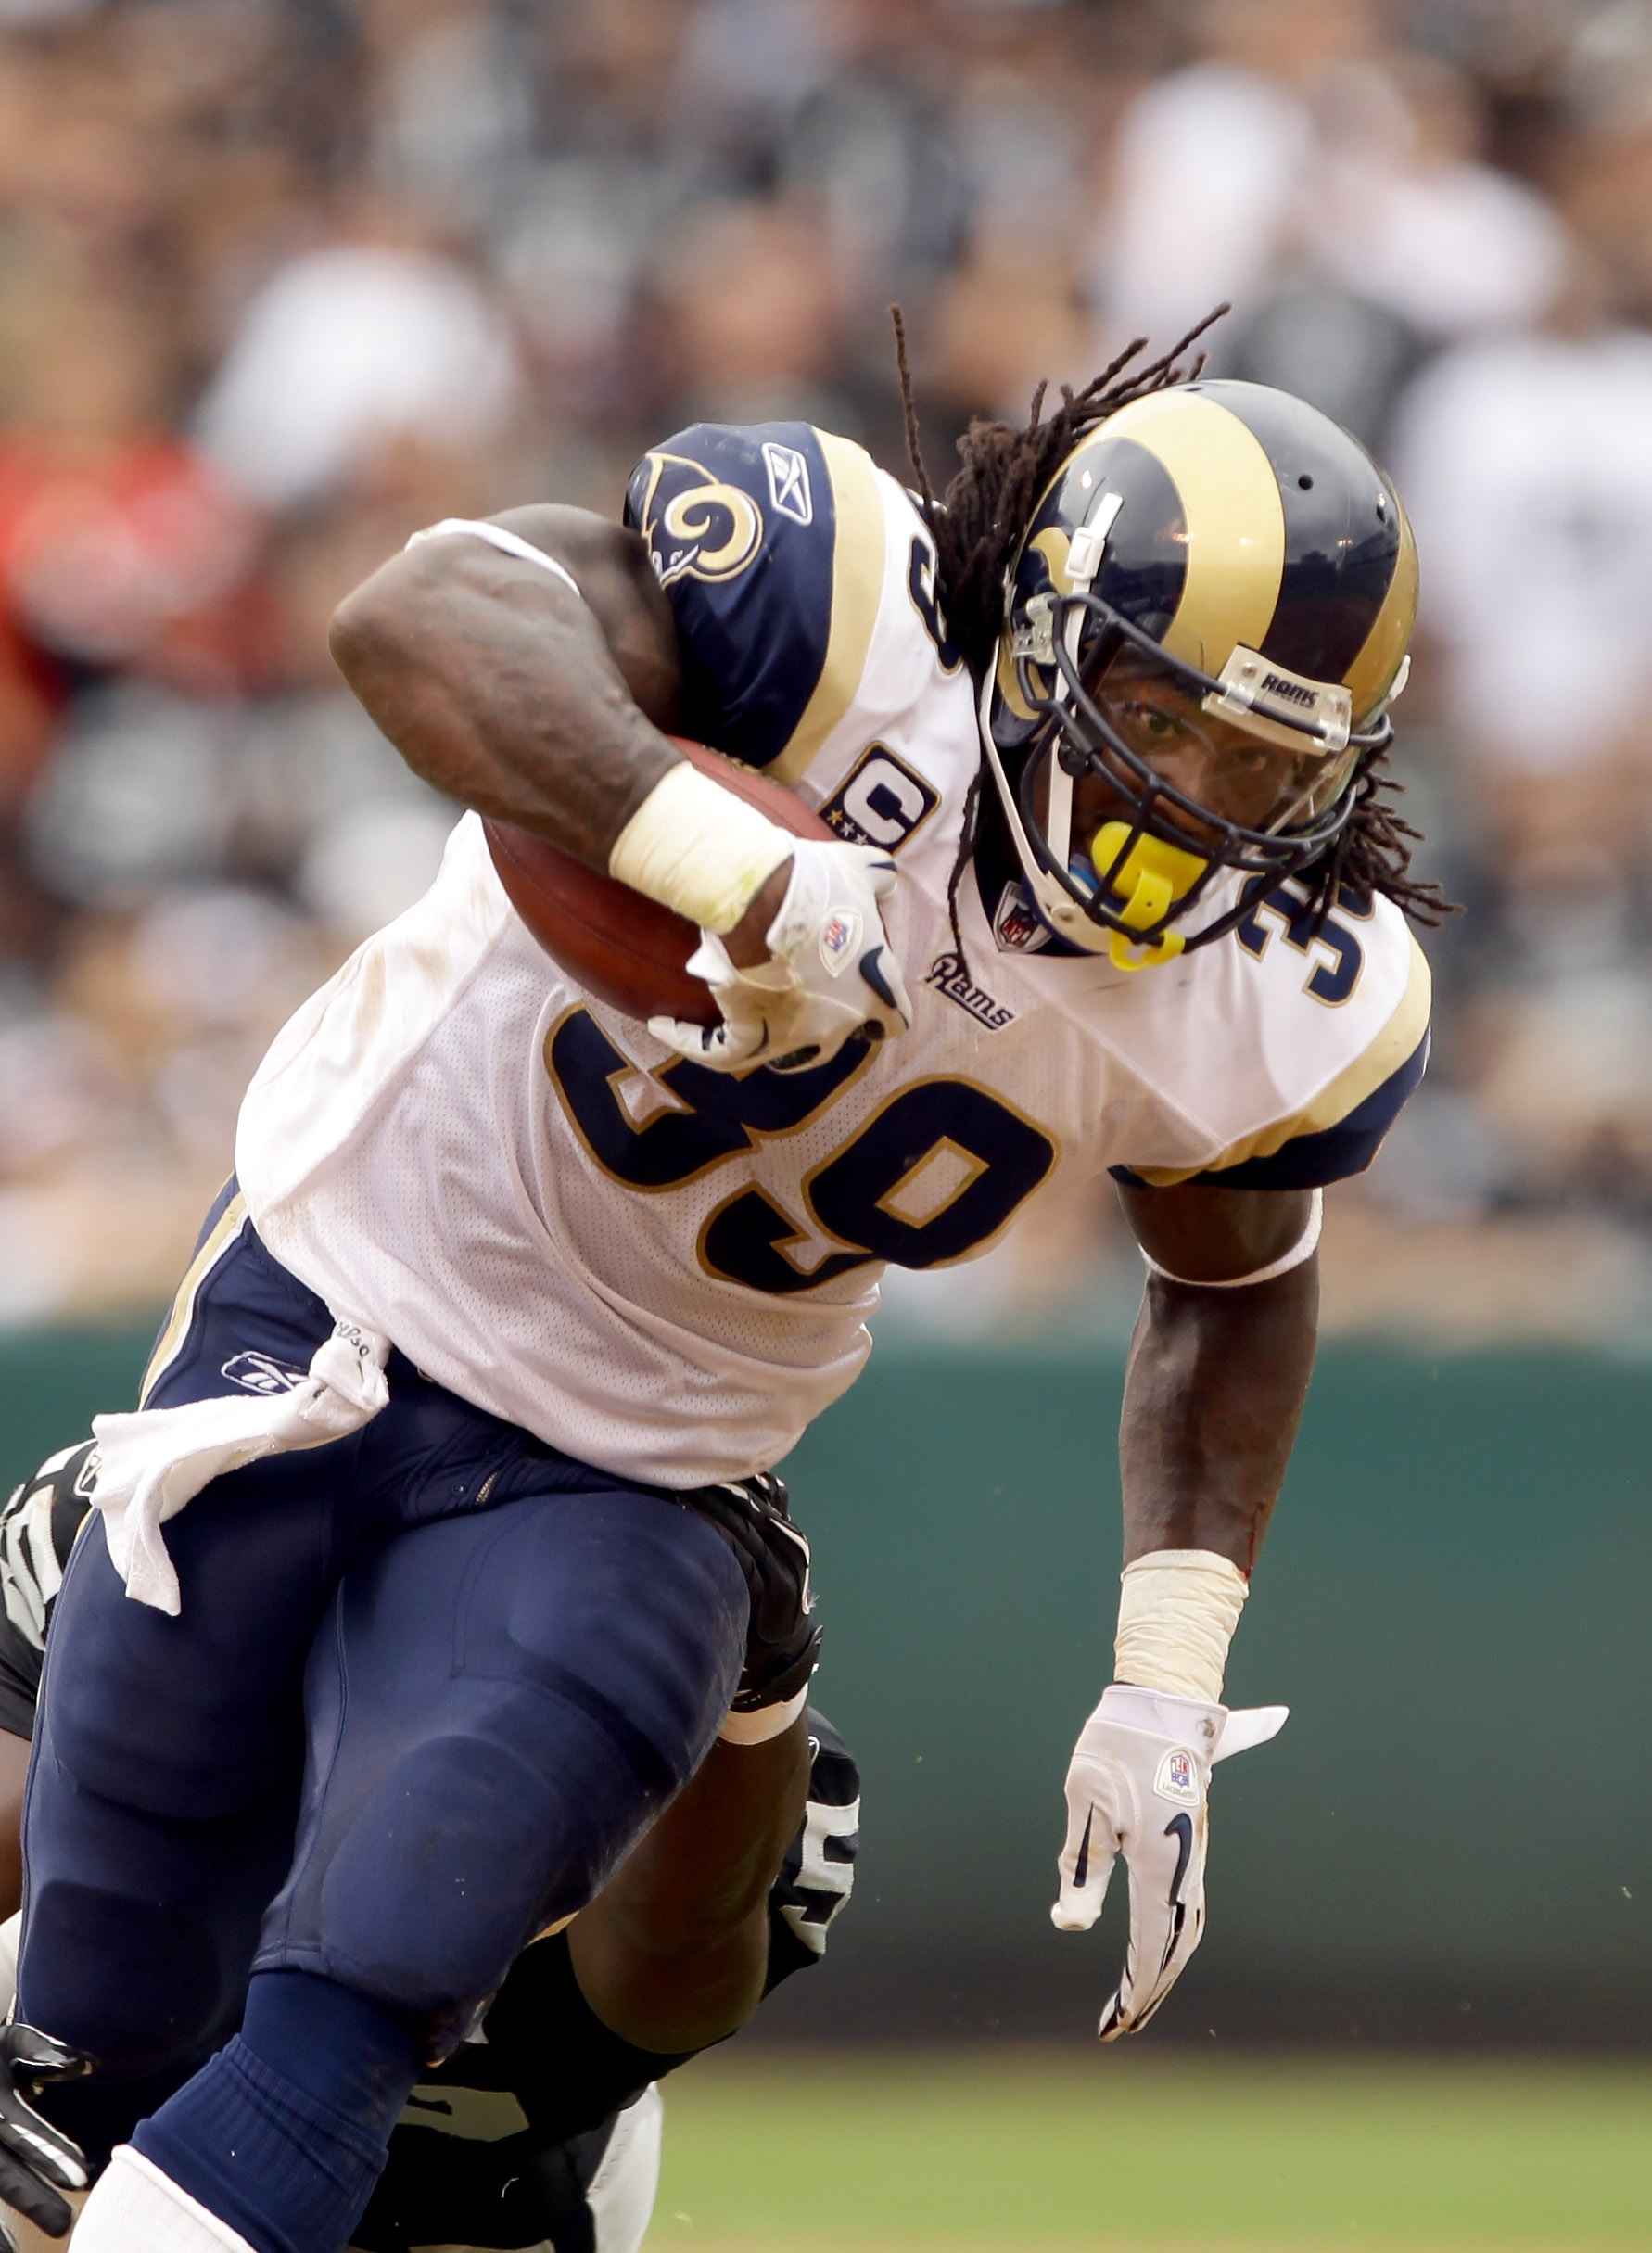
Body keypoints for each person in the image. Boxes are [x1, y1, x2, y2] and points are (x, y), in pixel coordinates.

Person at [11, 327, 1440, 2253]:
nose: (1190, 800)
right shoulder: (836, 610)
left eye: (1264, 765)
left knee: (364, 1991)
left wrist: (1167, 1675)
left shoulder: (1282, 991)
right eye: (1162, 714)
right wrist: (731, 872)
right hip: (324, 1299)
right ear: (1040, 633)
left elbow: (1239, 1282)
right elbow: (422, 615)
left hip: (642, 1470)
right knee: (84, 2071)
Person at [0, 1441, 859, 2253]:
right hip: (89, 2112)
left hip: (475, 2188)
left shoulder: (717, 1750)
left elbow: (666, 1961)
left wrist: (757, 1704)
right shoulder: (144, 1515)